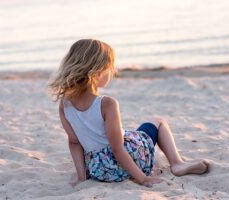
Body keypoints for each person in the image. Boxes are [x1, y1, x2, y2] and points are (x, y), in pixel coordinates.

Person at [49, 39, 209, 188]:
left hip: (98, 170)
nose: (113, 72)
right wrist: (143, 179)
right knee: (158, 122)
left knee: (131, 133)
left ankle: (86, 176)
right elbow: (117, 148)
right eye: (109, 68)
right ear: (97, 72)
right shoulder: (106, 103)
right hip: (128, 163)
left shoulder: (65, 104)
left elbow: (74, 143)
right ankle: (177, 163)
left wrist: (81, 177)